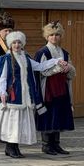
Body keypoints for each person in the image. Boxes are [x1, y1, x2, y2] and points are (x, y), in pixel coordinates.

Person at [0, 31, 63, 158]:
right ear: (10, 44)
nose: (17, 45)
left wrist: (55, 61)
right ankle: (10, 147)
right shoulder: (6, 59)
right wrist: (2, 92)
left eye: (19, 42)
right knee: (12, 122)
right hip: (13, 96)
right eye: (14, 42)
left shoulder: (25, 58)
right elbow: (2, 77)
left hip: (25, 96)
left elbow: (40, 67)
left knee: (20, 122)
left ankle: (14, 147)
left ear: (22, 44)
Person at [34, 21, 76, 155]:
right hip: (48, 89)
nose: (54, 37)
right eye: (51, 35)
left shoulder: (64, 52)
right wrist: (58, 67)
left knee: (59, 114)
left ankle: (56, 144)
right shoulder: (43, 52)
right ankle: (46, 145)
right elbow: (41, 71)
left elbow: (71, 73)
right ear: (47, 36)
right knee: (48, 115)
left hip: (62, 88)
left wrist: (68, 68)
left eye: (57, 35)